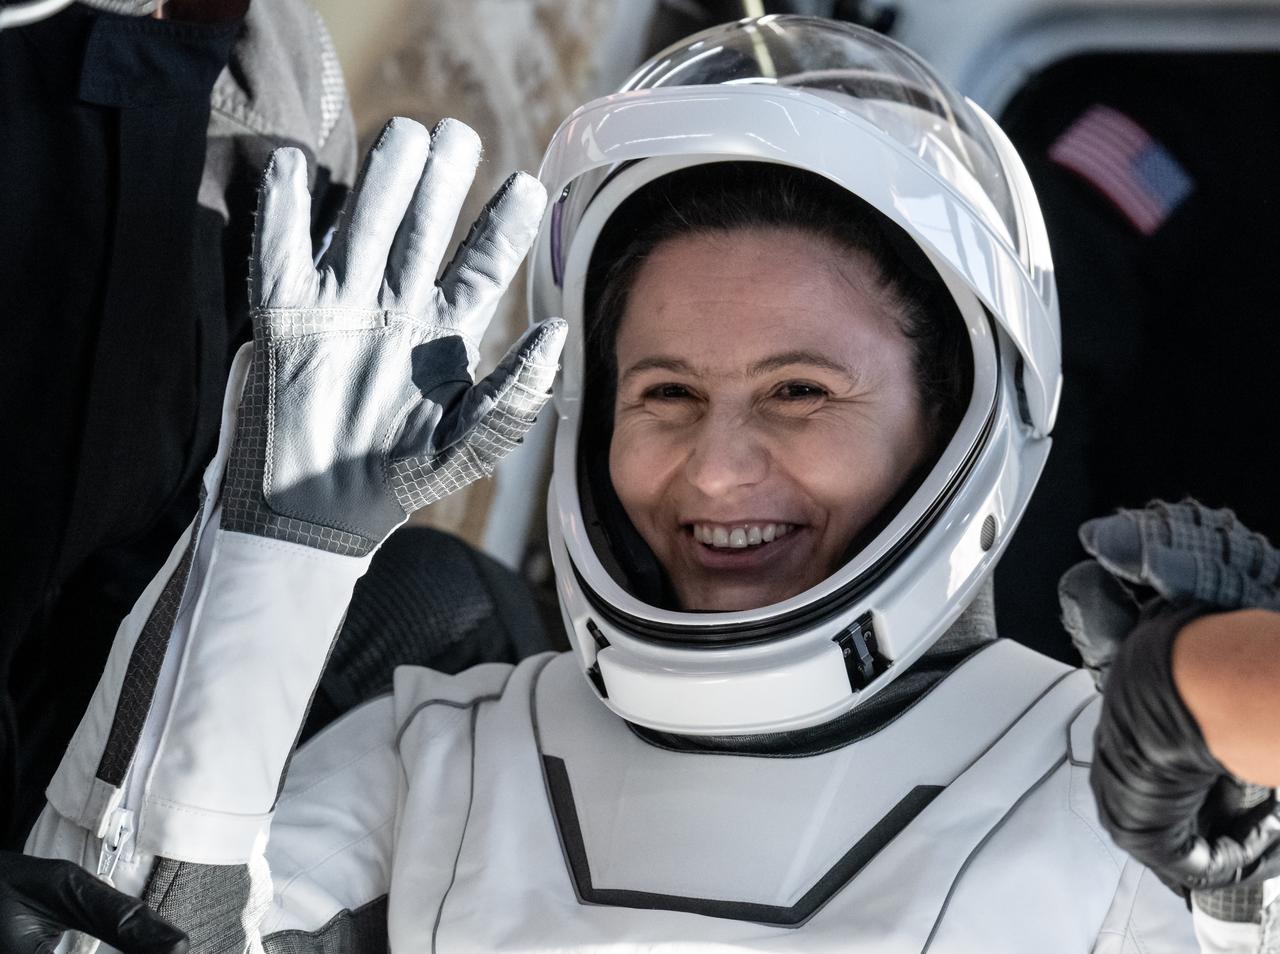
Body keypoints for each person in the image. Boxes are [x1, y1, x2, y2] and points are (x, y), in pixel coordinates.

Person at [19, 17, 1280, 954]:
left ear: (957, 422)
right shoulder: (451, 750)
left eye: (799, 392)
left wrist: (1226, 770)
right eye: (662, 394)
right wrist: (270, 559)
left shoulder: (1135, 807)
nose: (715, 468)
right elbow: (96, 928)